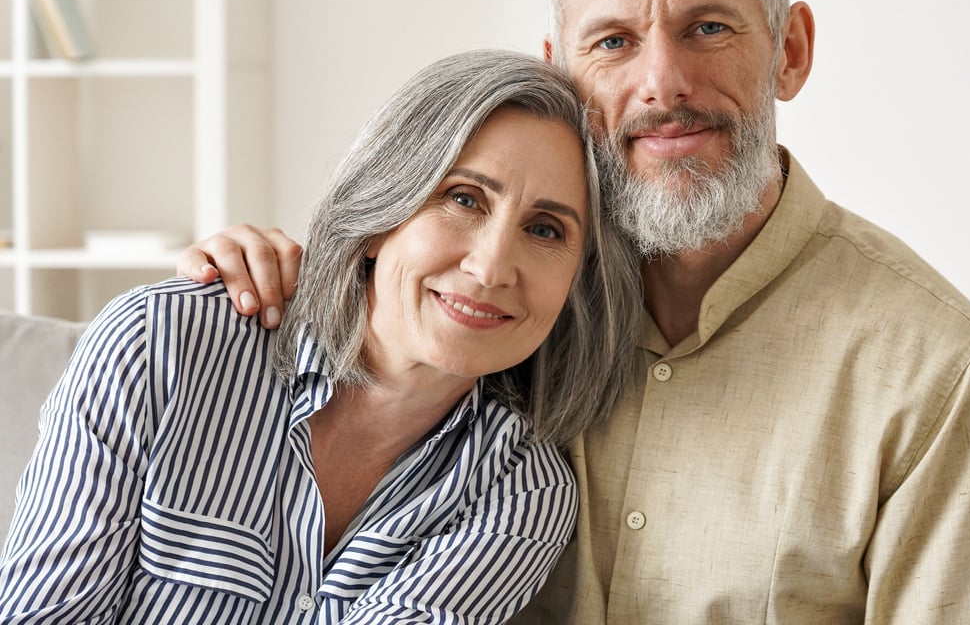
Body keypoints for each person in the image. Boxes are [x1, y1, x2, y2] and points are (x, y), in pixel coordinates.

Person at [177, 0, 970, 623]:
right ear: (563, 78)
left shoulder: (938, 371)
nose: (662, 82)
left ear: (791, 51)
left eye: (709, 28)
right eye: (614, 41)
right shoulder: (497, 306)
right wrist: (263, 278)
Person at [0, 50, 642, 623]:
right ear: (378, 216)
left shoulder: (521, 492)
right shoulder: (160, 343)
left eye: (547, 230)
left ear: (575, 288)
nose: (492, 267)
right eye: (464, 199)